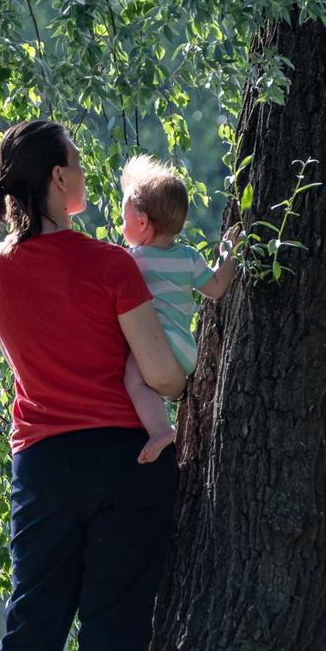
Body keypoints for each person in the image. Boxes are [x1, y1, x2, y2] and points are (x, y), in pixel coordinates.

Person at [0, 120, 186, 651]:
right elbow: (163, 377)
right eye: (79, 162)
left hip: (43, 462)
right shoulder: (111, 265)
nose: (87, 172)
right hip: (127, 459)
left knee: (34, 615)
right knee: (114, 620)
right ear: (58, 177)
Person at [116, 154, 238, 462]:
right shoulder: (188, 257)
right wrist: (229, 253)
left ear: (142, 223)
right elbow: (216, 287)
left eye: (123, 220)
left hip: (160, 344)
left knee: (133, 379)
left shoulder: (133, 260)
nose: (120, 227)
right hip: (186, 350)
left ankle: (160, 429)